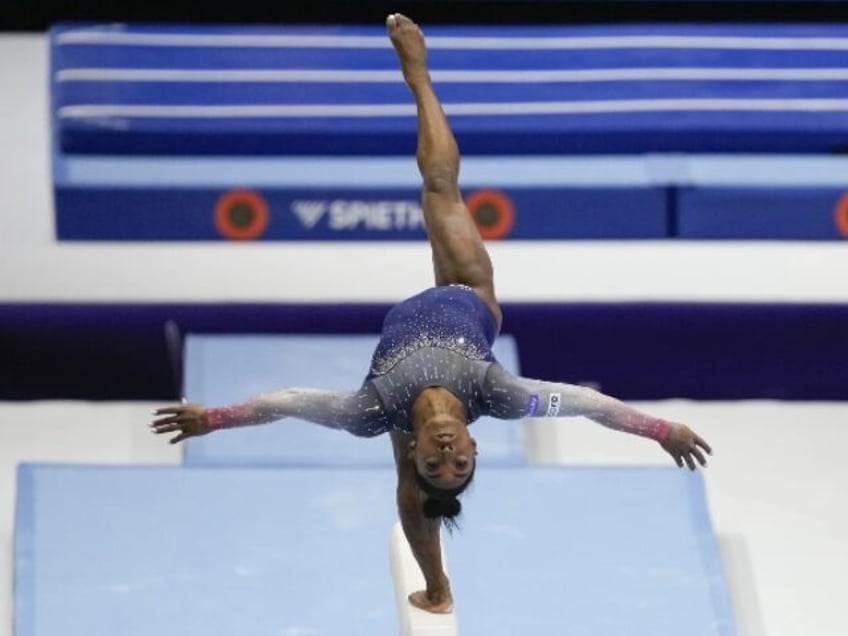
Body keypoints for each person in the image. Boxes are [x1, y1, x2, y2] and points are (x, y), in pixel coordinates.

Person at [151, 13, 712, 615]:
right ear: (474, 441)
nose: (446, 451)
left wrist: (214, 418)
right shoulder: (500, 394)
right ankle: (419, 77)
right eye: (460, 460)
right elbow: (589, 404)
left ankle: (437, 583)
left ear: (421, 451)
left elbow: (286, 402)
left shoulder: (370, 412)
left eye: (435, 462)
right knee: (441, 184)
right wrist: (662, 430)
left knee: (405, 476)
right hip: (468, 295)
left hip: (396, 395)